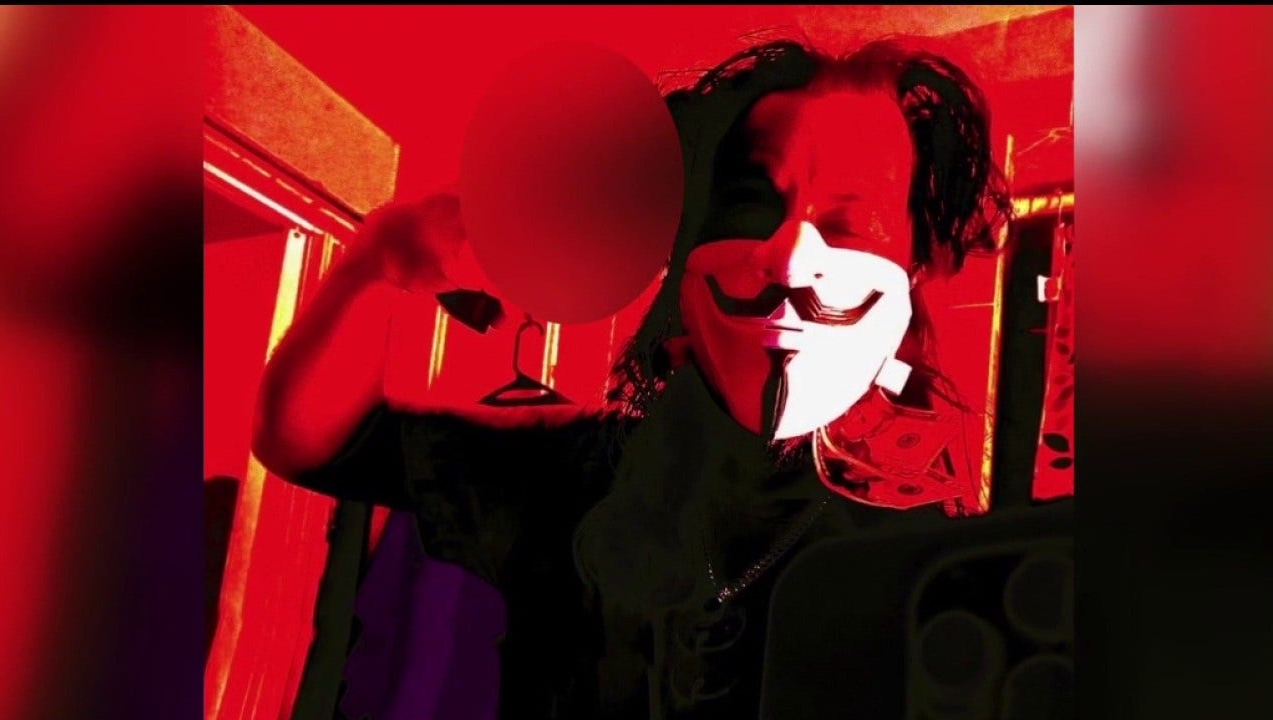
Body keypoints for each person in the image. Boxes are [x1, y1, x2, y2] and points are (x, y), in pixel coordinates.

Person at [254, 37, 1010, 720]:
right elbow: (311, 442)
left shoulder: (931, 569)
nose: (788, 256)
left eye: (848, 223)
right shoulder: (583, 469)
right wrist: (380, 259)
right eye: (751, 206)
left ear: (916, 267)